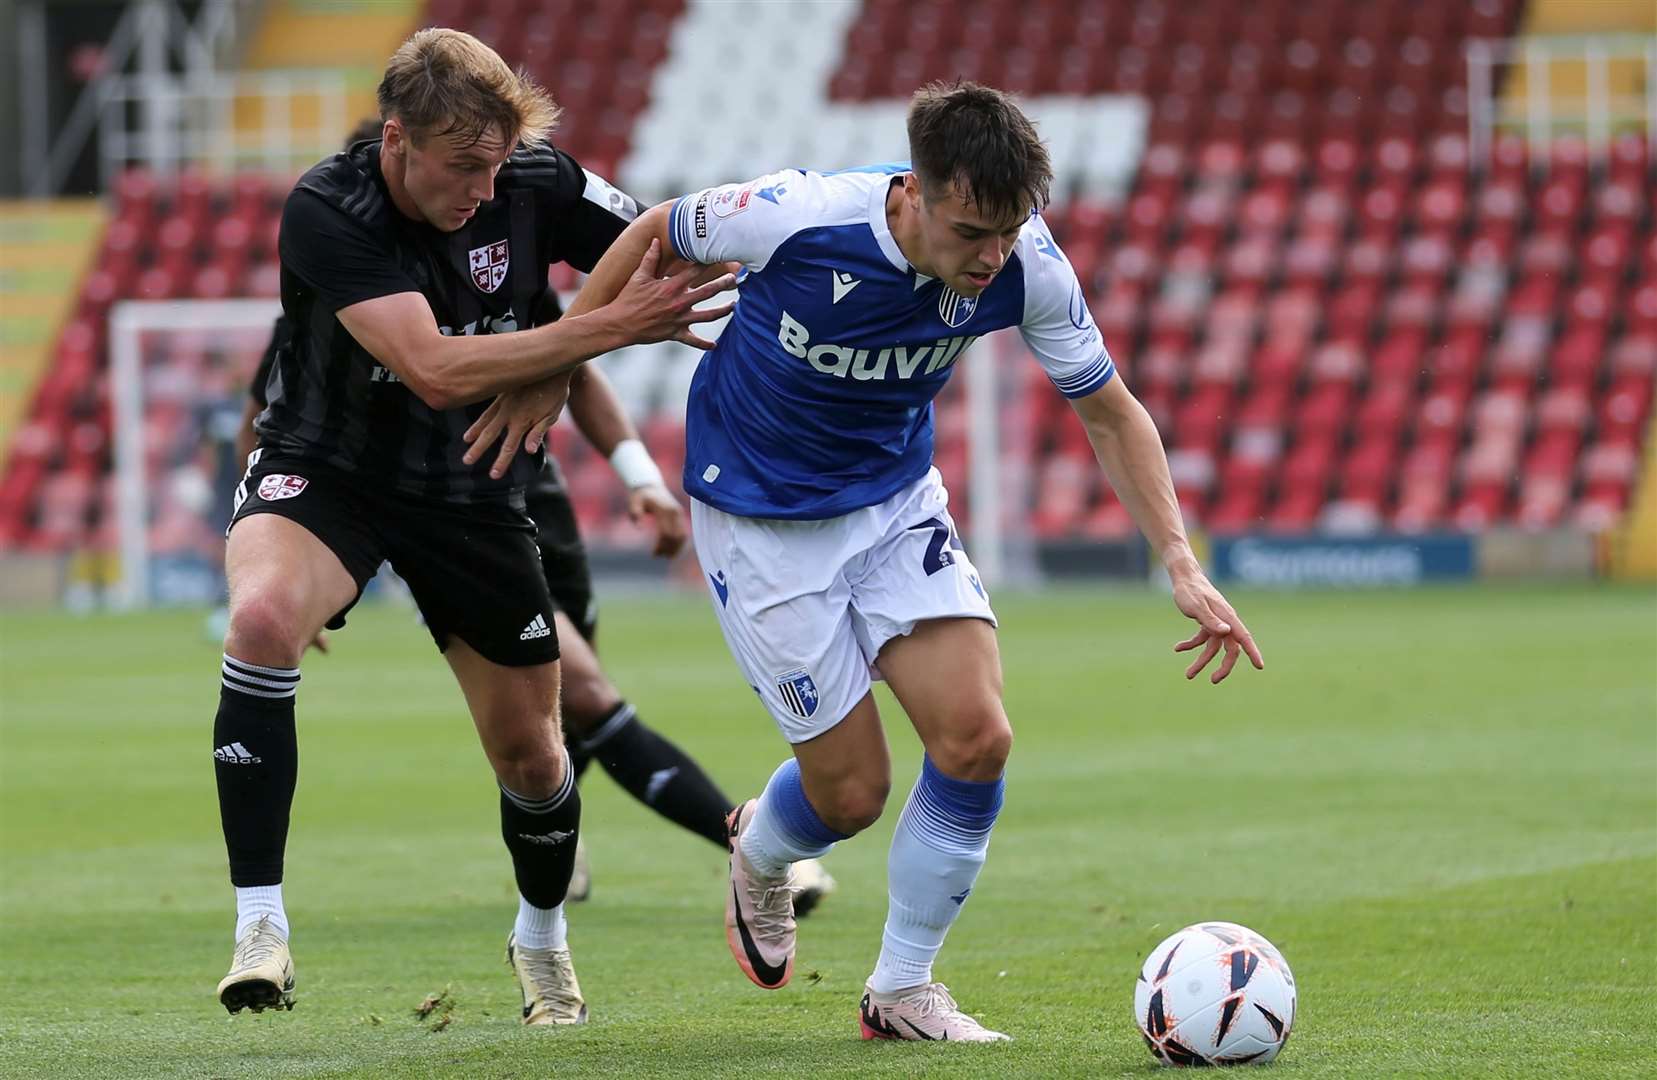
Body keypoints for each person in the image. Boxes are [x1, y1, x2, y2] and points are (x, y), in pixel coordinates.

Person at [467, 81, 1265, 1042]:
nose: (992, 255)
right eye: (972, 229)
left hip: (893, 506)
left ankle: (900, 990)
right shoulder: (797, 215)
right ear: (914, 193)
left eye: (1009, 229)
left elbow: (1107, 408)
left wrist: (1178, 560)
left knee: (977, 738)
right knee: (850, 795)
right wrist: (554, 368)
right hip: (759, 521)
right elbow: (654, 232)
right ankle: (760, 854)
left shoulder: (1029, 267)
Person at [210, 28, 735, 1025]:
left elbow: (666, 234)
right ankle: (260, 928)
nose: (485, 192)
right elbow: (437, 369)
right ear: (397, 139)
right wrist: (607, 330)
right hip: (328, 471)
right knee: (263, 620)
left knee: (536, 758)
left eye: (496, 166)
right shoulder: (331, 206)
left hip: (470, 487)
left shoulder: (534, 180)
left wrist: (552, 369)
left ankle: (540, 941)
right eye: (462, 169)